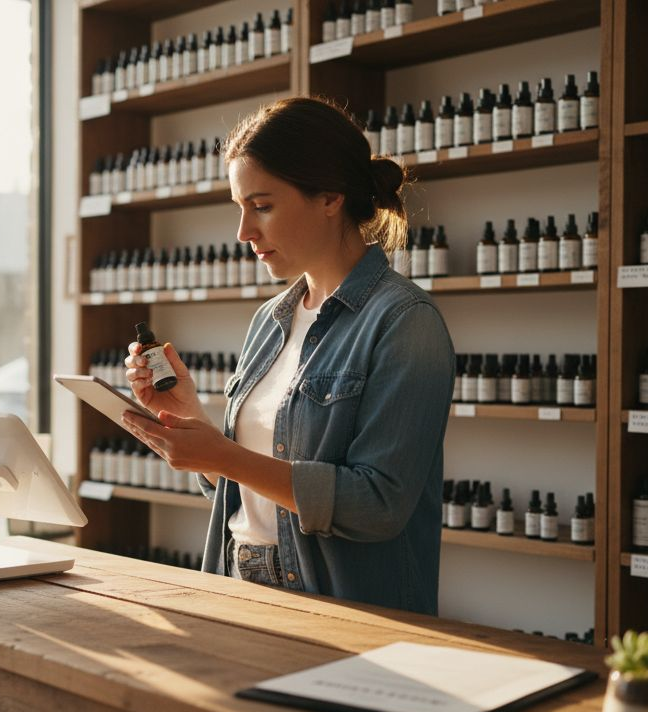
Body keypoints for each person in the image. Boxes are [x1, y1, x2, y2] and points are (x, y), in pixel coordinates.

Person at [120, 97, 455, 614]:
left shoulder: (405, 321)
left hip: (342, 604)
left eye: (262, 206)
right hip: (239, 580)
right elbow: (251, 490)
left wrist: (223, 455)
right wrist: (192, 419)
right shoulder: (270, 319)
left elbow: (378, 506)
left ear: (330, 197)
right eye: (239, 207)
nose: (243, 232)